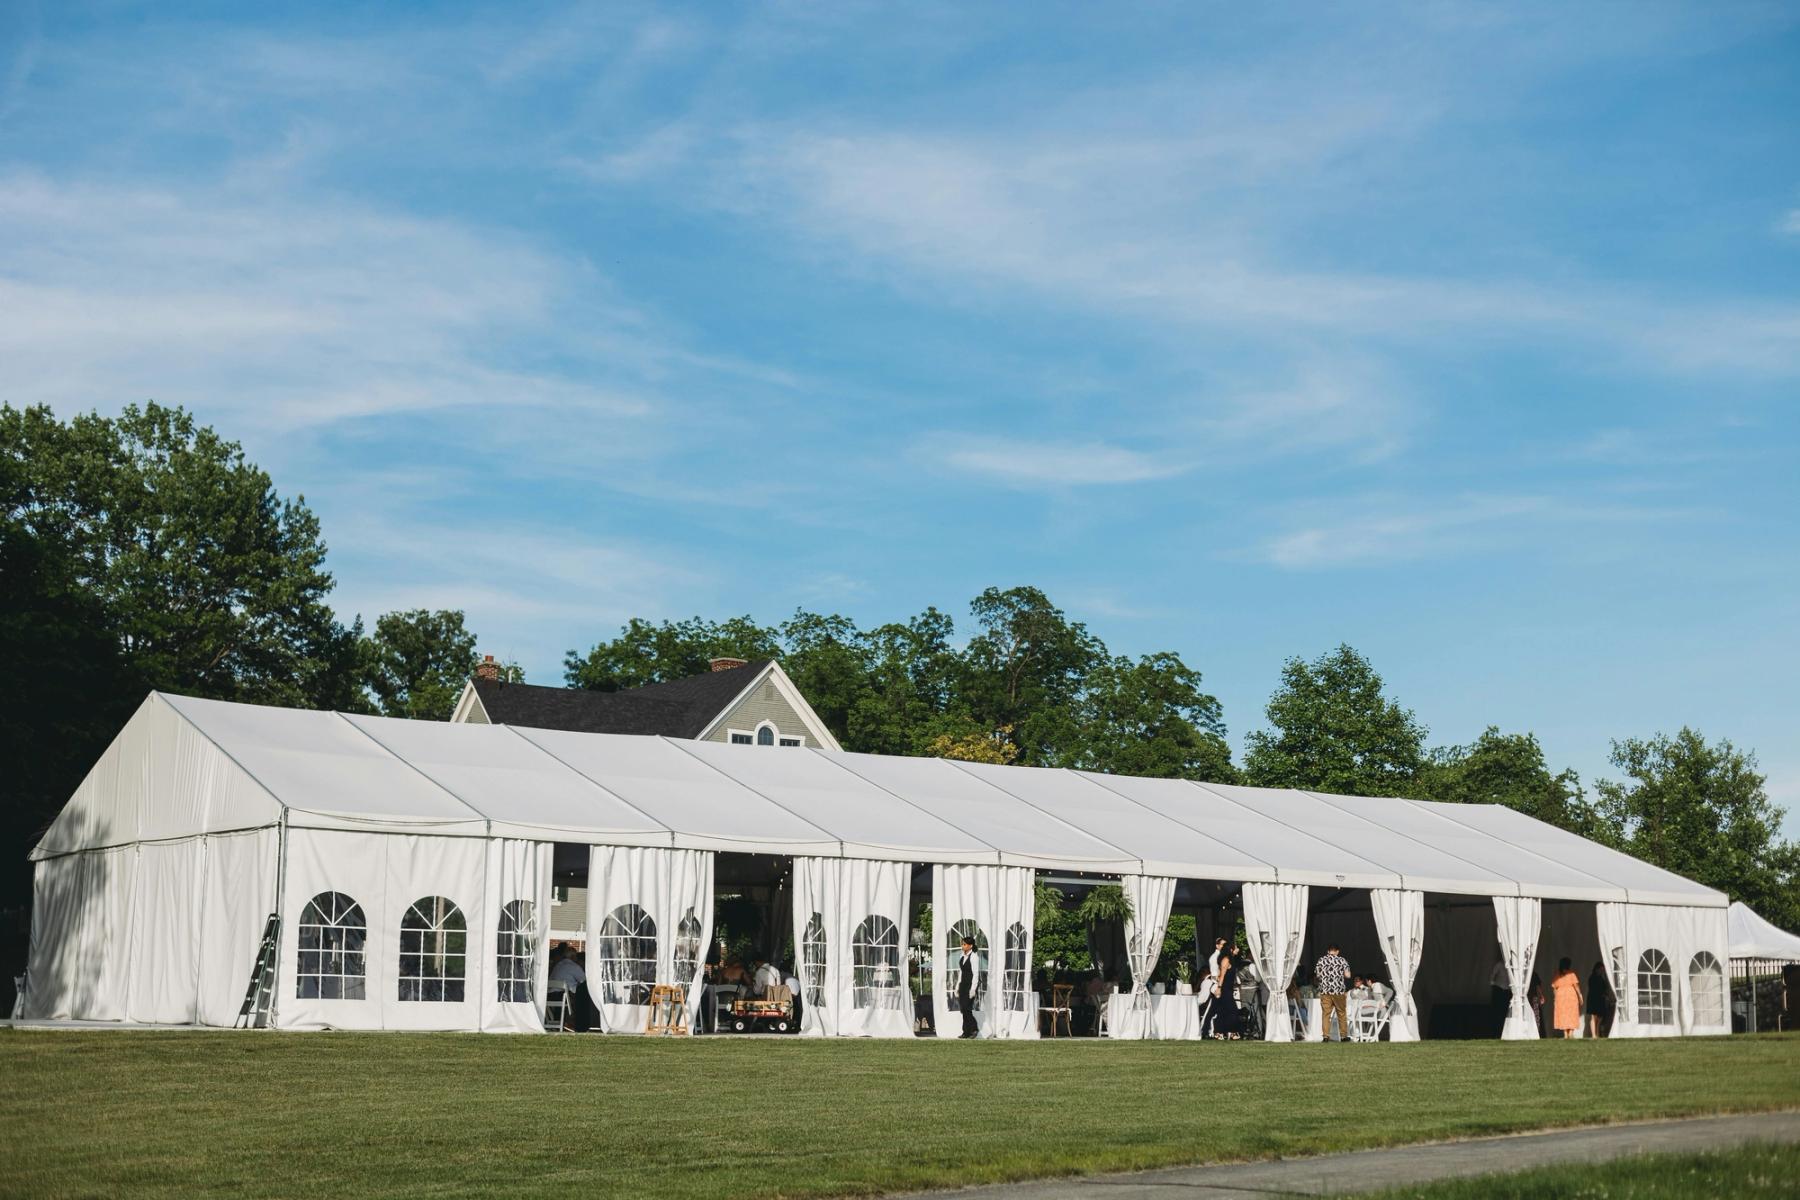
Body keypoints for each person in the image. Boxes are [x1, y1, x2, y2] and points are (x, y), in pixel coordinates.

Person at [1314, 942, 1352, 1042]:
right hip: (1339, 991)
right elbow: (1348, 975)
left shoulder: (1321, 960)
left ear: (1328, 951)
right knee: (1341, 1013)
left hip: (1325, 991)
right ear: (1337, 951)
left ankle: (1326, 1036)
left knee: (1326, 1014)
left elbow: (1317, 975)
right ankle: (1343, 1036)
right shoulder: (1342, 960)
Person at [1551, 957, 1583, 1039]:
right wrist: (1580, 995)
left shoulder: (1558, 974)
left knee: (1563, 1014)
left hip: (1560, 996)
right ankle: (1571, 1033)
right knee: (1572, 1013)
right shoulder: (1571, 974)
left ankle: (1565, 1033)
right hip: (1570, 995)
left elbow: (1554, 987)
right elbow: (1576, 985)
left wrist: (1555, 998)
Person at [956, 934, 980, 1039]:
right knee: (963, 1009)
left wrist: (973, 989)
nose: (962, 946)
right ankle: (966, 1032)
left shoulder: (974, 957)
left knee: (967, 1008)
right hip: (963, 985)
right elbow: (961, 972)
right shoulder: (962, 956)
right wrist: (957, 986)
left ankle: (974, 1028)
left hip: (970, 986)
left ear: (970, 946)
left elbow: (976, 974)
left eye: (964, 944)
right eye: (962, 944)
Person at [1586, 960, 1615, 1038]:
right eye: (1601, 969)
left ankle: (1597, 1033)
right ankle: (1593, 1034)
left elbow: (1605, 988)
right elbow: (1594, 989)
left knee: (1599, 1018)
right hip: (1593, 999)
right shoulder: (1592, 977)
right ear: (1597, 969)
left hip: (1600, 999)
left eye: (1603, 970)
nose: (1602, 971)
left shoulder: (1602, 978)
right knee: (1593, 1017)